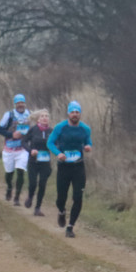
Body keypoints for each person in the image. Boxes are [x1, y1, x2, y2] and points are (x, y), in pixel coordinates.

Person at [47, 101, 92, 238]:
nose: (75, 114)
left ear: (80, 114)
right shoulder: (60, 127)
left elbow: (88, 141)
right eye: (72, 112)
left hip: (78, 167)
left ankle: (70, 227)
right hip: (64, 167)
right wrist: (58, 154)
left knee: (78, 197)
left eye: (77, 112)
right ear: (68, 113)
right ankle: (61, 211)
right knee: (61, 198)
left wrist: (88, 147)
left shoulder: (85, 129)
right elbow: (50, 143)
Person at [0, 94, 31, 205]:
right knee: (9, 173)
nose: (20, 105)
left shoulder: (29, 115)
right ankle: (9, 187)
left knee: (21, 171)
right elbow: (0, 130)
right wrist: (12, 134)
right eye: (18, 103)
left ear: (25, 103)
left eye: (22, 102)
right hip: (9, 149)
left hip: (23, 149)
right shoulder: (9, 115)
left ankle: (17, 197)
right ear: (15, 104)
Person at [21, 109, 53, 216]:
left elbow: (57, 143)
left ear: (49, 119)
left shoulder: (51, 132)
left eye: (46, 116)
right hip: (33, 162)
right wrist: (31, 151)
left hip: (45, 163)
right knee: (33, 183)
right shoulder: (33, 130)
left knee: (42, 184)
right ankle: (30, 196)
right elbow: (23, 142)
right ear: (38, 119)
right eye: (42, 116)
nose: (45, 118)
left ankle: (38, 208)